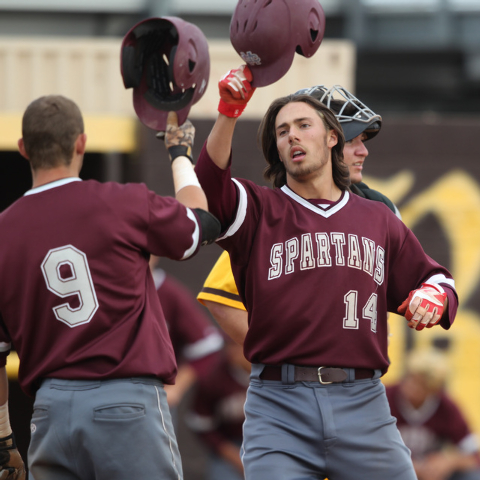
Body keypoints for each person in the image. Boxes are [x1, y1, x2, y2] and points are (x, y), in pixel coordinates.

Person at [179, 64, 459, 480]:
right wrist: (227, 113)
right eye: (282, 129)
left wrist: (435, 297)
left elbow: (438, 280)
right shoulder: (260, 209)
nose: (291, 134)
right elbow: (210, 189)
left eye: (303, 125)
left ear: (331, 138)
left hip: (362, 400)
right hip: (280, 401)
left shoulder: (378, 217)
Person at [0, 95, 220, 480]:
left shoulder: (3, 231)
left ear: (23, 149)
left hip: (49, 410)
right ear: (80, 143)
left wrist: (3, 441)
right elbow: (200, 223)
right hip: (125, 403)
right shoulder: (123, 202)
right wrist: (179, 153)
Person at [197, 84, 400, 339]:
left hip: (361, 374)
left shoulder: (378, 207)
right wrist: (279, 361)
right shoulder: (273, 216)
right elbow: (221, 298)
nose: (363, 151)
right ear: (329, 139)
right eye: (352, 141)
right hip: (294, 376)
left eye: (363, 141)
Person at [386, 349, 480, 480]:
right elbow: (365, 445)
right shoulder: (385, 397)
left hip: (430, 474)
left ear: (434, 389)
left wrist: (449, 461)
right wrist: (405, 463)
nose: (411, 386)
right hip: (389, 468)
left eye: (421, 384)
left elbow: (474, 455)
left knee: (473, 475)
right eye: (410, 378)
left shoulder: (446, 407)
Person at [150, 263, 224, 411]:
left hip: (152, 399)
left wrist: (175, 389)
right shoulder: (98, 286)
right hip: (100, 391)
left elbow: (207, 346)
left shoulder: (168, 292)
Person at [186, 335, 250, 480]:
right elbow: (202, 425)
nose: (232, 350)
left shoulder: (276, 372)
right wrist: (234, 458)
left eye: (237, 344)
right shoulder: (213, 376)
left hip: (272, 440)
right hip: (231, 443)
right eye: (228, 344)